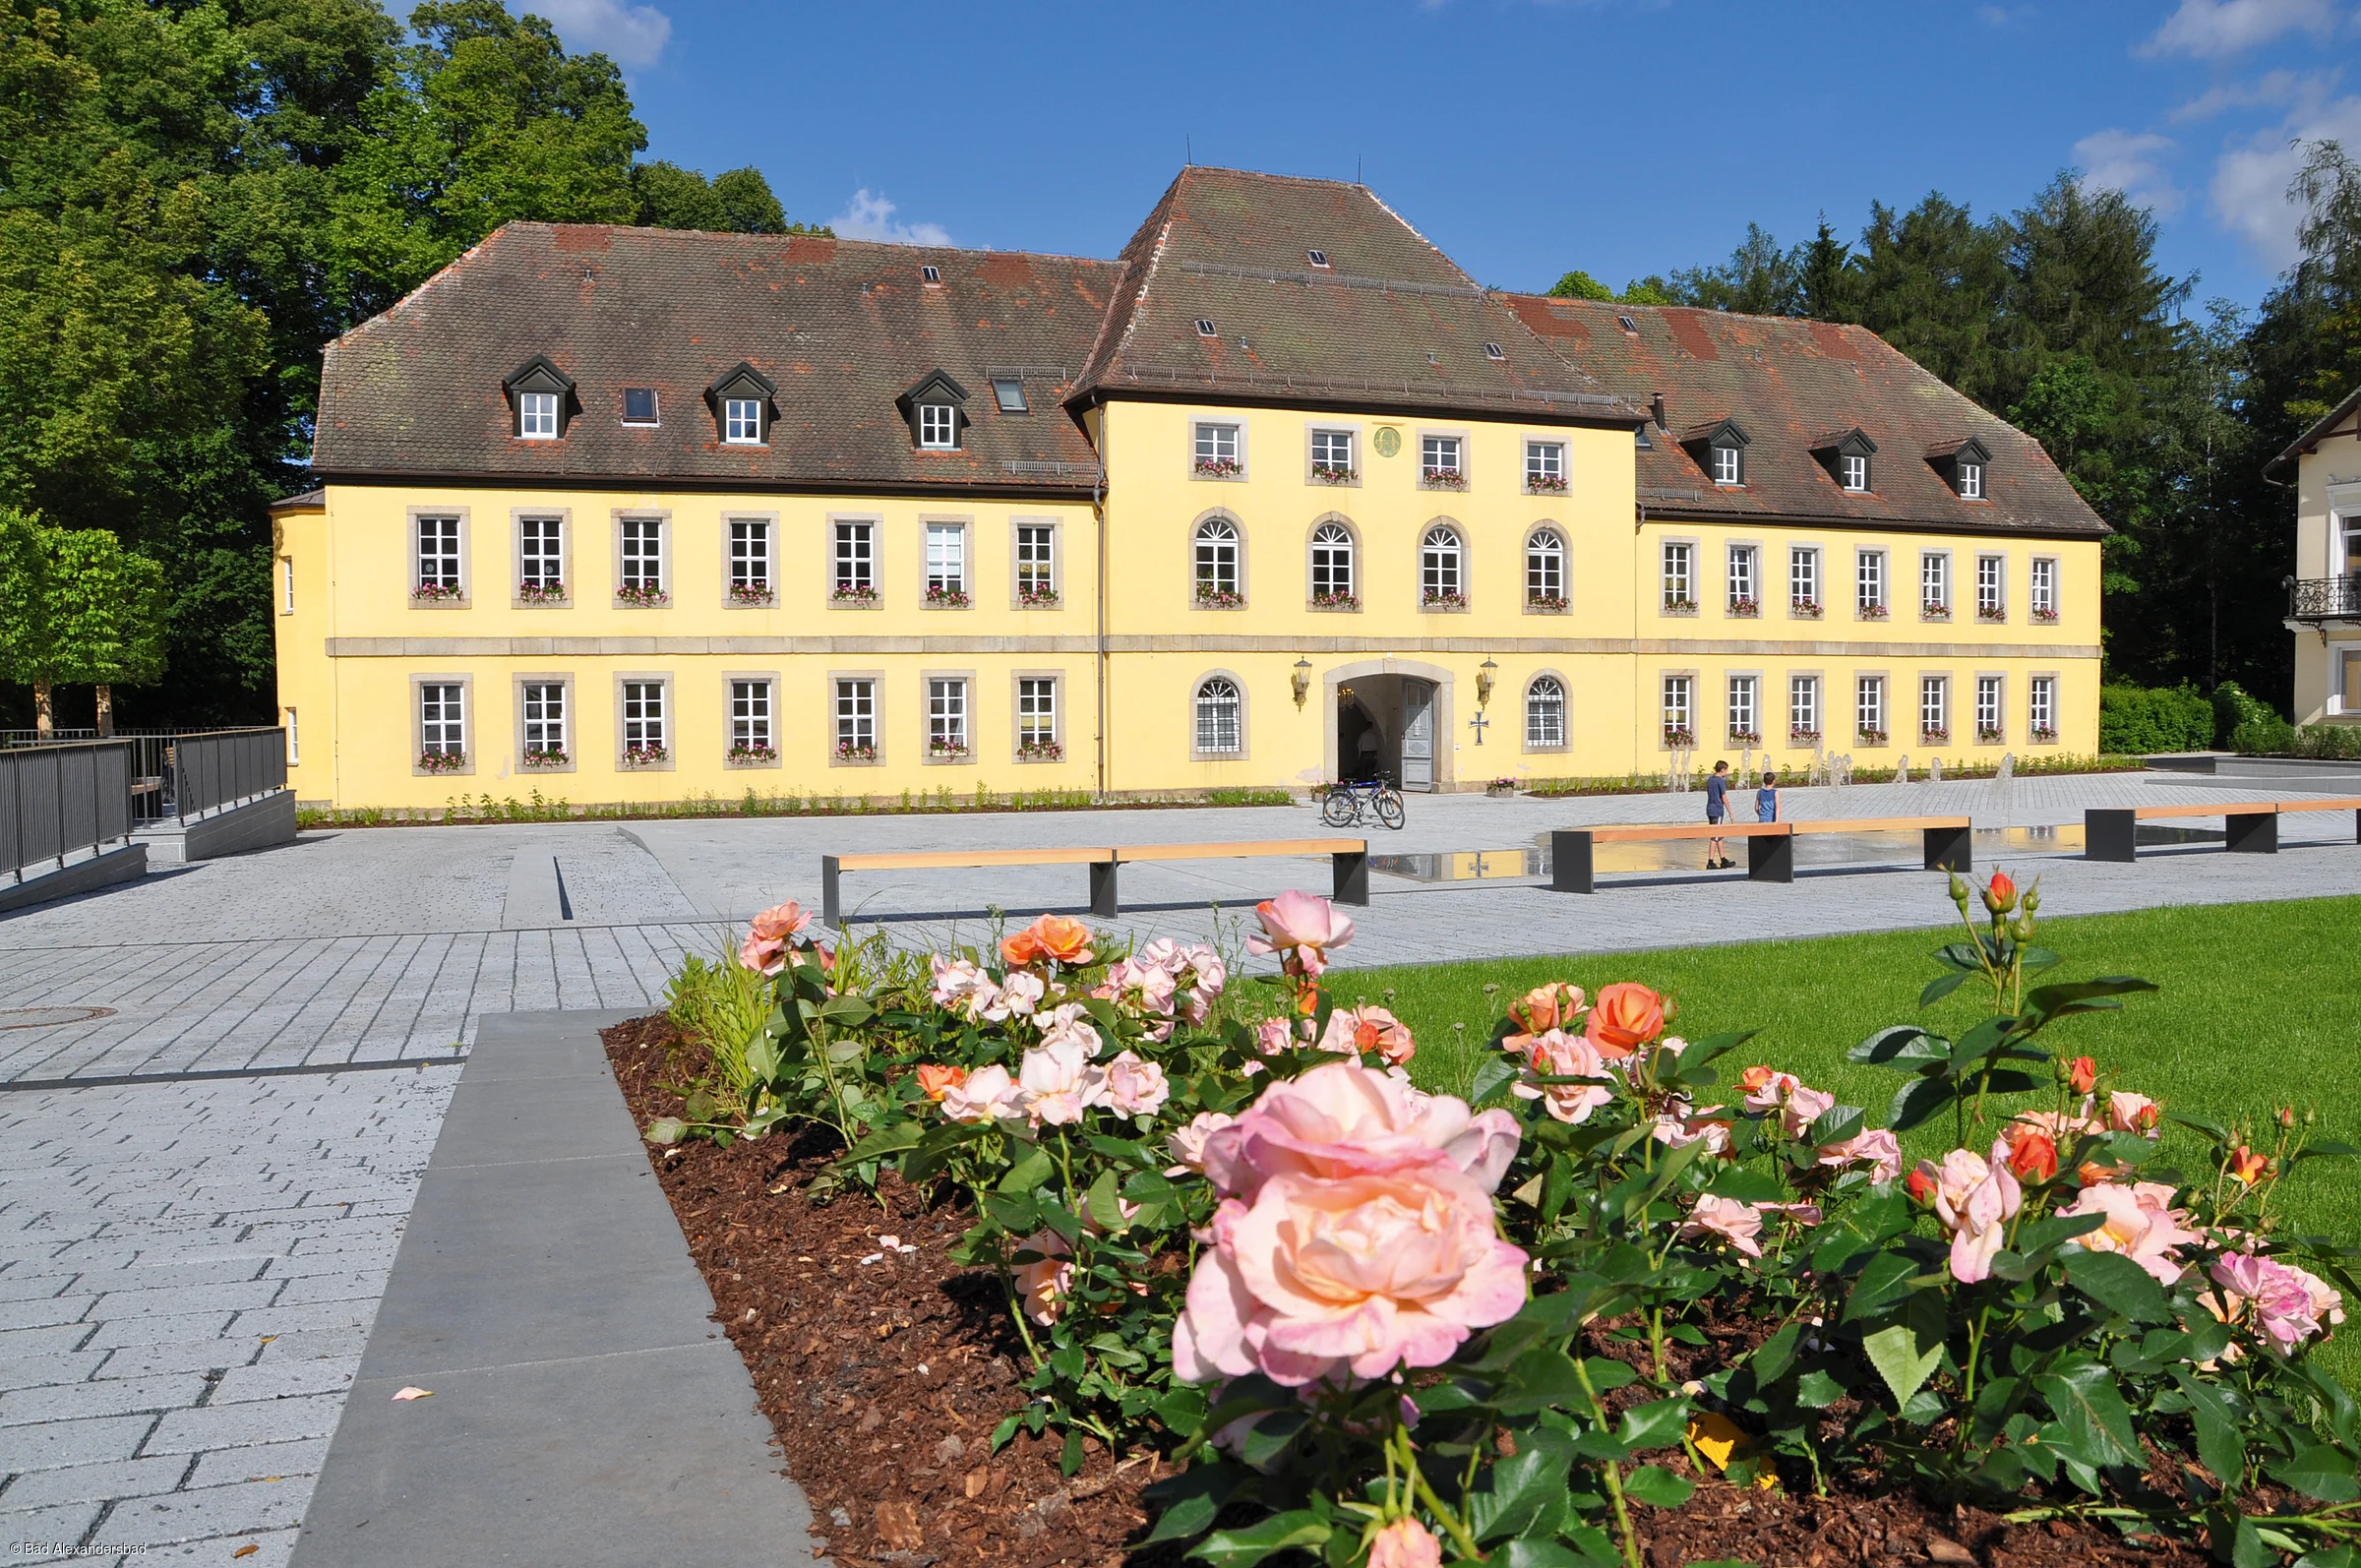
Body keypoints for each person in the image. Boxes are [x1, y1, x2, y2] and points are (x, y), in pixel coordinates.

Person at [1704, 759, 1730, 870]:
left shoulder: (1710, 780)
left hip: (1710, 809)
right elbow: (1724, 798)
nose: (1727, 773)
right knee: (1714, 837)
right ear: (1722, 770)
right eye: (1726, 770)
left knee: (1719, 835)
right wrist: (1730, 812)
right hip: (1717, 810)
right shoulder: (1720, 781)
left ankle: (1723, 859)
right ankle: (1710, 861)